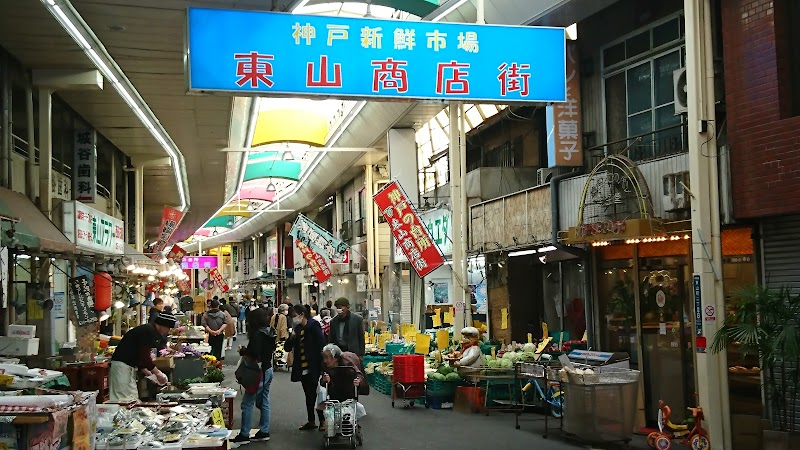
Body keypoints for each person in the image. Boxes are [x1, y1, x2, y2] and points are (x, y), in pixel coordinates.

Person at [231, 308, 277, 444]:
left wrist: (244, 351)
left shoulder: (258, 334)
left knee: (247, 403)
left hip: (258, 371)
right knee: (264, 401)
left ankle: (244, 434)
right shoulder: (270, 332)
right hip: (268, 369)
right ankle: (264, 430)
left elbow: (255, 353)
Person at [109, 312, 175, 401]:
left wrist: (148, 373)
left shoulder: (149, 330)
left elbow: (139, 354)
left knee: (131, 397)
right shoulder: (148, 331)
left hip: (128, 366)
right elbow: (144, 355)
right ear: (163, 325)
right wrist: (158, 373)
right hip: (122, 366)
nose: (168, 331)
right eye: (168, 328)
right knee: (122, 397)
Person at [287, 304, 326, 431]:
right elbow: (287, 347)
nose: (293, 319)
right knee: (308, 394)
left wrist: (323, 365)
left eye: (294, 316)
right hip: (302, 367)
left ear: (301, 314)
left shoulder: (313, 325)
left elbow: (321, 344)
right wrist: (291, 337)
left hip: (314, 366)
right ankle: (311, 420)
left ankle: (322, 421)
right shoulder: (297, 329)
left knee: (317, 394)